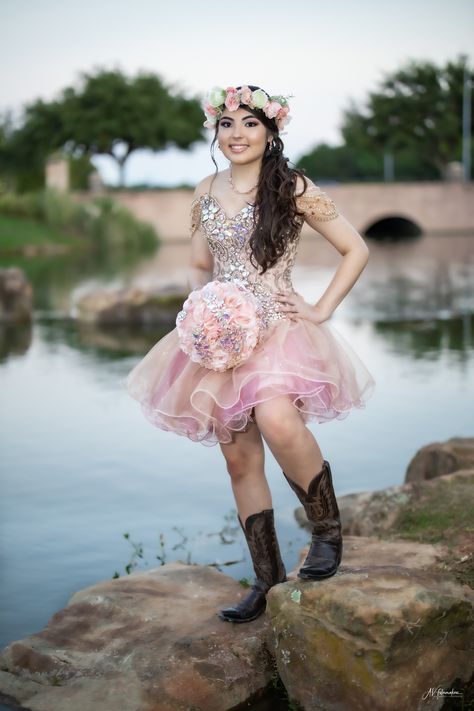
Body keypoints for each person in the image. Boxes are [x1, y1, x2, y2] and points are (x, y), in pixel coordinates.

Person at [125, 84, 375, 623]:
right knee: (238, 456)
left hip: (280, 329)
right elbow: (198, 264)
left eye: (250, 123)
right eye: (227, 124)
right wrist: (201, 309)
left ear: (270, 131)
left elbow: (356, 249)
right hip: (219, 337)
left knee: (280, 422)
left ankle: (327, 534)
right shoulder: (204, 189)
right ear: (216, 133)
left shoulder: (293, 186)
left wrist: (321, 308)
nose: (237, 134)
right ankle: (266, 579)